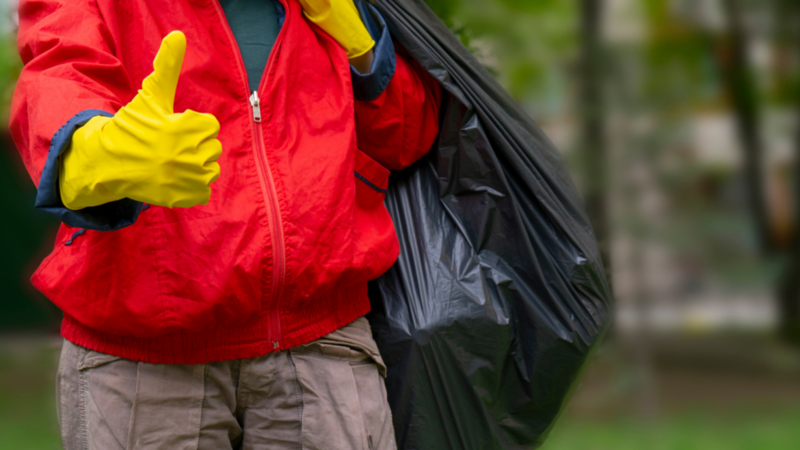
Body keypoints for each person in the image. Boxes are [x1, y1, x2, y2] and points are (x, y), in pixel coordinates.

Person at [10, 0, 441, 448]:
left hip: (323, 343)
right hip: (143, 361)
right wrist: (97, 152)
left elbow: (407, 138)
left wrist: (363, 50)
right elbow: (57, 79)